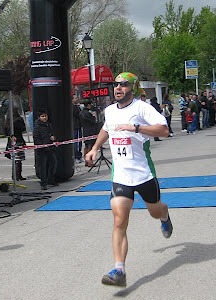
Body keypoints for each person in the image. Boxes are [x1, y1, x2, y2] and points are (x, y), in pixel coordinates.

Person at [85, 72, 173, 287]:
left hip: (143, 174)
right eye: (116, 85)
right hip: (121, 175)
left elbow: (164, 129)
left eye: (123, 85)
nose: (118, 88)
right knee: (119, 221)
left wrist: (135, 127)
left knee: (155, 211)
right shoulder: (110, 110)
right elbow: (106, 128)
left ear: (132, 88)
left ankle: (164, 215)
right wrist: (95, 148)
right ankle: (119, 270)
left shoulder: (142, 108)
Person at [33, 108, 58, 190]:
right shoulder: (37, 126)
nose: (44, 118)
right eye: (42, 116)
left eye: (45, 116)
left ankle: (51, 179)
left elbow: (52, 133)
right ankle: (43, 182)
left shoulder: (48, 125)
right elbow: (36, 138)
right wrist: (43, 146)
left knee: (53, 163)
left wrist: (53, 138)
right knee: (43, 166)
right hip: (42, 150)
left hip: (50, 147)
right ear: (39, 117)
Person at [5, 107, 27, 181]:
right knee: (18, 159)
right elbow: (23, 129)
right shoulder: (18, 120)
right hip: (18, 140)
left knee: (15, 159)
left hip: (11, 141)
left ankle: (15, 175)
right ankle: (17, 175)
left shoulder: (8, 121)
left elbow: (5, 132)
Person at [79, 99, 98, 167]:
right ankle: (90, 162)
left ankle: (86, 162)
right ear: (88, 105)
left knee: (86, 146)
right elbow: (93, 121)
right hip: (91, 131)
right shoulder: (88, 113)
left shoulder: (81, 112)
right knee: (90, 146)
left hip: (85, 130)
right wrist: (93, 116)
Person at [72, 95, 84, 163]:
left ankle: (78, 155)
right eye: (76, 98)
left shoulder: (76, 106)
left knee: (78, 141)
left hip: (78, 126)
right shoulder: (73, 107)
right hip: (75, 126)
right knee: (77, 142)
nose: (77, 99)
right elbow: (79, 114)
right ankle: (77, 156)